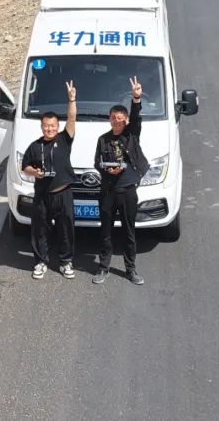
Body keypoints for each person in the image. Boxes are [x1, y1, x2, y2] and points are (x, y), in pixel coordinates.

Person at [92, 75, 150, 285]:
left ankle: (131, 269)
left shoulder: (131, 135)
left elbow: (136, 117)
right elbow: (97, 163)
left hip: (127, 192)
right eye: (113, 118)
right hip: (108, 191)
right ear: (109, 119)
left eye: (120, 118)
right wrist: (108, 170)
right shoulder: (103, 139)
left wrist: (136, 98)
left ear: (125, 120)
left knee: (129, 232)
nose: (116, 121)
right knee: (105, 232)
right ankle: (103, 268)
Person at [20, 81, 77, 280]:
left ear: (57, 126)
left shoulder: (64, 139)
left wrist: (71, 100)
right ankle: (40, 262)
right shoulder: (34, 146)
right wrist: (34, 173)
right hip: (43, 195)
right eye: (46, 126)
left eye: (53, 126)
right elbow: (25, 166)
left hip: (63, 193)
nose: (49, 129)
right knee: (40, 230)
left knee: (66, 229)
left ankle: (66, 262)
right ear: (42, 126)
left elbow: (72, 118)